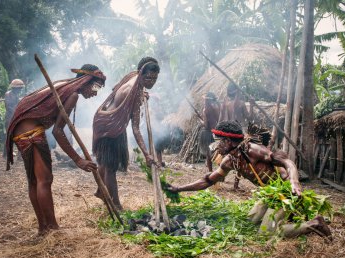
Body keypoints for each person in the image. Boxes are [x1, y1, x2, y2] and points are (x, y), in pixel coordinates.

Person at [168, 120, 331, 239]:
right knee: (250, 220)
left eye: (219, 142)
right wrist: (179, 189)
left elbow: (287, 162)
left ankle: (314, 224)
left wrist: (294, 182)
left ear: (228, 141)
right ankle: (284, 220)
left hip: (285, 192)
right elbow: (208, 180)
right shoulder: (230, 160)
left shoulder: (253, 151)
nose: (216, 147)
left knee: (265, 234)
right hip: (270, 194)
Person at [6, 64, 106, 235]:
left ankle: (43, 228)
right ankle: (52, 228)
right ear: (87, 80)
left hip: (19, 129)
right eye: (95, 87)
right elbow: (57, 131)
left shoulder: (65, 87)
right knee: (44, 180)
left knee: (35, 181)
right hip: (30, 131)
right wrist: (78, 160)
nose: (95, 92)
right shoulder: (73, 94)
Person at [93, 57, 160, 210]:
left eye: (155, 79)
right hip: (110, 126)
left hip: (106, 121)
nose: (151, 82)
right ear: (141, 73)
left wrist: (142, 96)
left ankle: (100, 191)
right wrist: (146, 154)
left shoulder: (132, 77)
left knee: (104, 162)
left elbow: (115, 89)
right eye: (148, 78)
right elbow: (135, 128)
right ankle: (116, 205)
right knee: (110, 167)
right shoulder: (135, 91)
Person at [3, 79, 25, 157]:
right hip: (10, 118)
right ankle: (6, 154)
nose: (20, 90)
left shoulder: (17, 96)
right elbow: (8, 107)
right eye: (19, 88)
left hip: (16, 118)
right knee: (9, 136)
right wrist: (16, 113)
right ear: (14, 88)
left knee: (19, 135)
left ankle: (20, 155)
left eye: (20, 89)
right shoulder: (8, 94)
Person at [199, 92, 220, 171]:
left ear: (207, 100)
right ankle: (220, 173)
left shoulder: (205, 110)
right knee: (219, 153)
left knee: (208, 154)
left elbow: (206, 125)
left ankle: (210, 172)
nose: (204, 102)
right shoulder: (217, 107)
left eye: (205, 100)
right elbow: (219, 120)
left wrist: (201, 122)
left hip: (208, 133)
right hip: (217, 132)